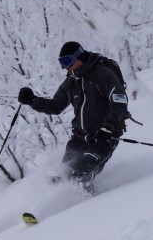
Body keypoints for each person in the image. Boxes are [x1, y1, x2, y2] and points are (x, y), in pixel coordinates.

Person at [18, 41, 130, 190]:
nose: (64, 67)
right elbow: (56, 106)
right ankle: (62, 209)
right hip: (78, 139)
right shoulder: (72, 81)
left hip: (103, 137)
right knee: (62, 176)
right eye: (61, 62)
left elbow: (119, 103)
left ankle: (89, 208)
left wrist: (107, 128)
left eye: (66, 61)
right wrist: (33, 100)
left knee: (80, 174)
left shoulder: (103, 74)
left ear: (78, 56)